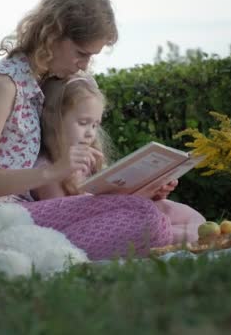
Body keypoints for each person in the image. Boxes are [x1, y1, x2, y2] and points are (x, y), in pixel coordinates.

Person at [0, 0, 189, 261]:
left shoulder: (39, 85)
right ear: (53, 35)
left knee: (147, 212)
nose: (84, 65)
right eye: (81, 53)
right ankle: (17, 258)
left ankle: (34, 259)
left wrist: (143, 185)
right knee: (146, 219)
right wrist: (54, 171)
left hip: (28, 219)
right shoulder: (3, 85)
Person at [31, 73, 205, 245]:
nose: (91, 132)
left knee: (183, 213)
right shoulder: (47, 169)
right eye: (83, 122)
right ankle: (194, 238)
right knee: (163, 229)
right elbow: (58, 218)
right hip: (92, 229)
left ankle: (200, 234)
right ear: (54, 121)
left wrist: (151, 192)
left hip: (121, 214)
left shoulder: (90, 160)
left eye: (95, 125)